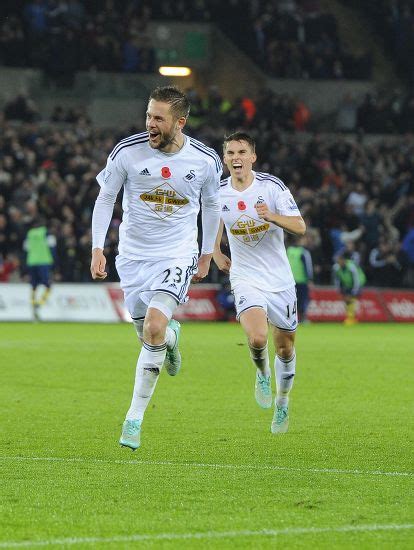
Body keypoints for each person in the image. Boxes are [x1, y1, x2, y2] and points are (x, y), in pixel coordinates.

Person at [90, 86, 222, 450]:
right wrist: (97, 247)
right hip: (132, 257)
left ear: (180, 122)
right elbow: (105, 198)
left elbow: (212, 206)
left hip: (176, 254)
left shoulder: (205, 160)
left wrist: (207, 252)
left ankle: (133, 419)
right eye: (148, 115)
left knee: (152, 327)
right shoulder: (127, 152)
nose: (149, 123)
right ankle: (171, 340)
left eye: (158, 118)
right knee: (145, 331)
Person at [213, 132, 306, 434]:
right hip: (245, 276)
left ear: (253, 156)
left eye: (242, 152)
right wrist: (215, 252)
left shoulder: (272, 187)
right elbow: (213, 222)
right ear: (225, 158)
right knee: (256, 338)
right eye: (230, 153)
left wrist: (273, 217)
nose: (236, 158)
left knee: (286, 349)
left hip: (279, 279)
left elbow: (300, 227)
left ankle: (282, 402)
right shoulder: (218, 191)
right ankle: (263, 374)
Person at [24, 218, 56, 319]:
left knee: (33, 286)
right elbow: (52, 246)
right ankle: (40, 304)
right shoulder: (46, 233)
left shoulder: (29, 233)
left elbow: (25, 248)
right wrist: (55, 264)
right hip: (44, 262)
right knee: (48, 285)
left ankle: (33, 305)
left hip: (32, 262)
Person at [333, 252, 366, 325]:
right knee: (347, 300)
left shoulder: (351, 266)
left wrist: (354, 291)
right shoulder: (336, 267)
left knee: (351, 299)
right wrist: (338, 289)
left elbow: (356, 279)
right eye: (338, 261)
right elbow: (337, 279)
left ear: (344, 260)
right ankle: (350, 318)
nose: (339, 263)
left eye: (340, 260)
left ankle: (351, 318)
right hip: (347, 284)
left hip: (359, 282)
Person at [287, 235, 313, 323]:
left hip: (290, 281)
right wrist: (310, 279)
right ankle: (302, 318)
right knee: (303, 299)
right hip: (302, 280)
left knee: (292, 300)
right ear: (300, 240)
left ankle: (292, 318)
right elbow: (308, 267)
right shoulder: (304, 252)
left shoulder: (288, 250)